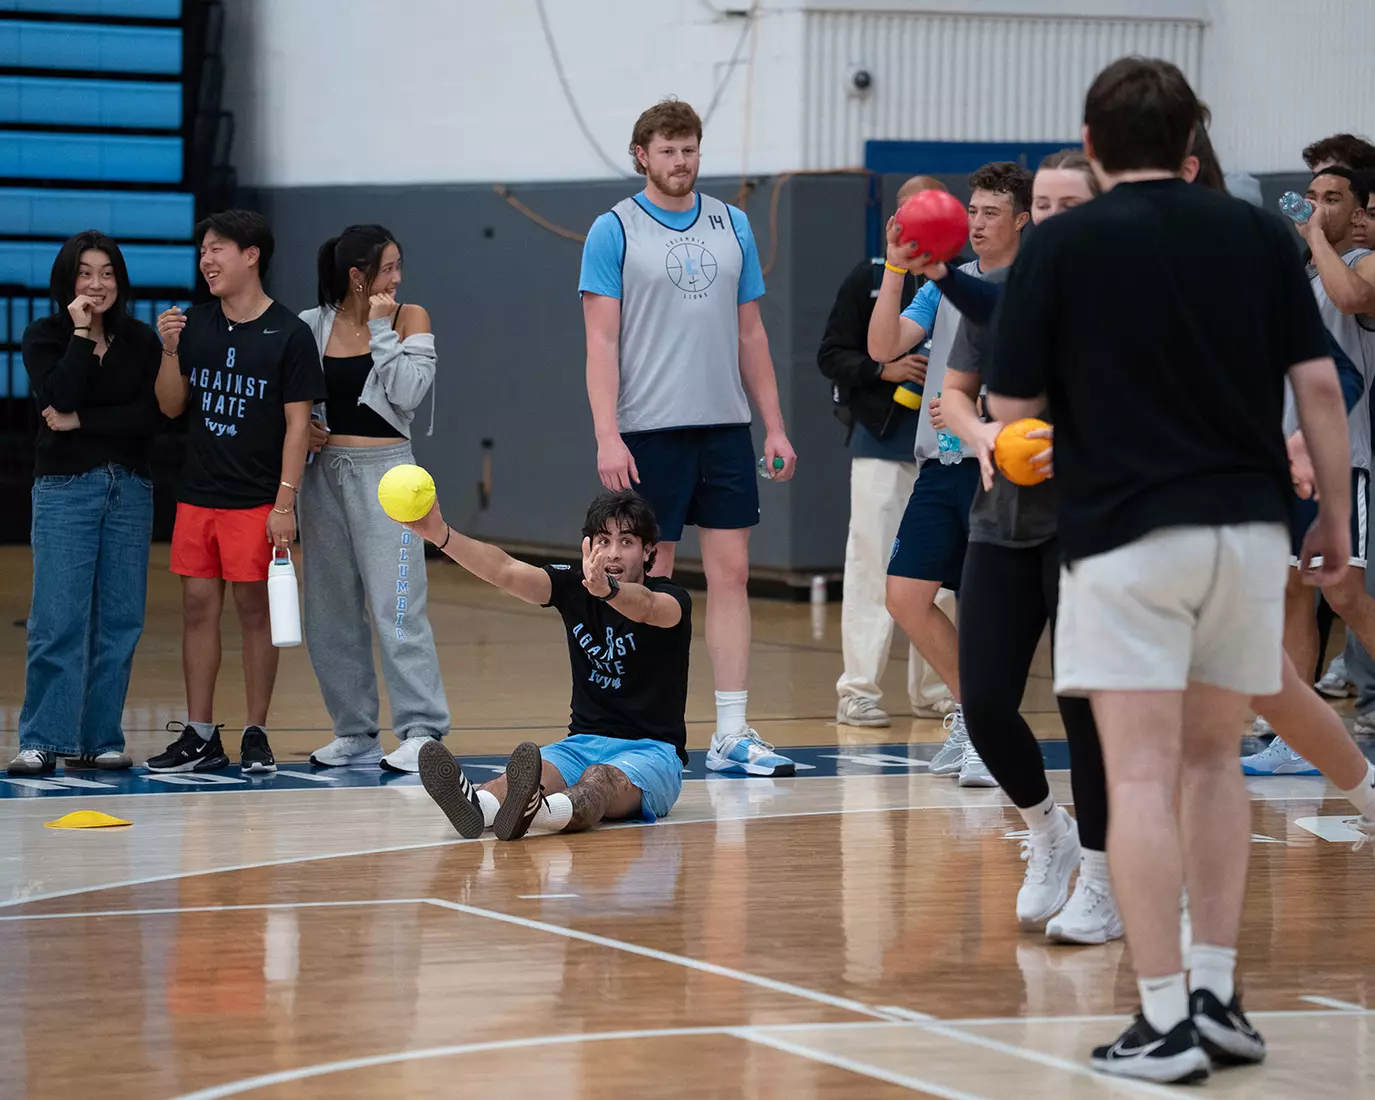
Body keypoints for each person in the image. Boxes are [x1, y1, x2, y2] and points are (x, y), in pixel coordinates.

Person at [986, 57, 1351, 1083]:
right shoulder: (1253, 233)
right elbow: (1316, 383)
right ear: (1188, 139)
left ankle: (1160, 1018)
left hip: (1125, 534)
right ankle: (1217, 996)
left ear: (1092, 148)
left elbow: (1013, 421)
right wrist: (1326, 506)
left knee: (1140, 774)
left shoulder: (1061, 247)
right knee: (1210, 765)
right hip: (1245, 531)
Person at [907, 150, 1119, 943]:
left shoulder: (1116, 294)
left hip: (1090, 525)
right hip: (1002, 518)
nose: (1058, 216)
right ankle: (1046, 832)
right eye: (1049, 205)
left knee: (1081, 704)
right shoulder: (1004, 296)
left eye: (1074, 205)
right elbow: (957, 391)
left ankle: (1101, 879)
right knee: (986, 700)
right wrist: (985, 433)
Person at [579, 97, 796, 778]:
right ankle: (647, 731)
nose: (681, 161)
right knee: (655, 580)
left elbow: (751, 332)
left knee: (731, 575)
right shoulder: (612, 229)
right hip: (647, 432)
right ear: (641, 155)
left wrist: (775, 425)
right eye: (668, 150)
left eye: (690, 149)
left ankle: (731, 730)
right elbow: (600, 340)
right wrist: (607, 435)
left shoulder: (732, 224)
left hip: (724, 427)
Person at [867, 161, 1032, 786]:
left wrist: (978, 410)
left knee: (987, 611)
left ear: (1022, 218)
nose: (979, 223)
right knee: (905, 595)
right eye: (974, 211)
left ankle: (989, 731)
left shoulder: (1034, 286)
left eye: (992, 212)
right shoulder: (949, 282)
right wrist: (895, 270)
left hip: (1004, 467)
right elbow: (884, 348)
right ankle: (975, 714)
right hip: (941, 465)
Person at [149, 210, 325, 774]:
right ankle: (200, 733)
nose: (207, 260)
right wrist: (170, 350)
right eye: (203, 250)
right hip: (198, 493)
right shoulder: (193, 324)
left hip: (257, 500)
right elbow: (172, 406)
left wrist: (284, 503)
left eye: (218, 248)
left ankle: (255, 730)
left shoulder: (289, 334)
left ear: (251, 255)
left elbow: (300, 426)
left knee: (256, 613)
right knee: (197, 608)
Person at [405, 490, 689, 840]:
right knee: (515, 780)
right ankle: (478, 805)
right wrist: (440, 536)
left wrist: (608, 592)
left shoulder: (673, 599)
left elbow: (645, 606)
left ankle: (540, 811)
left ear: (648, 551)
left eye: (626, 541)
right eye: (603, 540)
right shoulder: (574, 586)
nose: (613, 553)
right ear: (589, 546)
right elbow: (505, 570)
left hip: (653, 754)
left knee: (598, 779)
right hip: (580, 743)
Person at [8, 231, 164, 775]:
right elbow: (60, 396)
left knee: (120, 619)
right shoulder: (44, 336)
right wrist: (80, 332)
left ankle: (100, 737)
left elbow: (151, 417)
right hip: (65, 489)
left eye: (107, 273)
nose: (97, 284)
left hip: (130, 489)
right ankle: (42, 738)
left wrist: (84, 424)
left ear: (120, 281)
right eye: (85, 273)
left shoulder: (143, 342)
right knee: (57, 618)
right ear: (67, 280)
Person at [297, 225, 449, 773]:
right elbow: (289, 401)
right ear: (357, 276)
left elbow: (407, 392)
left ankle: (422, 730)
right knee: (329, 611)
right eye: (388, 268)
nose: (399, 278)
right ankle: (354, 730)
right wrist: (304, 428)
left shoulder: (411, 317)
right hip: (322, 477)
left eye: (399, 266)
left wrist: (381, 331)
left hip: (389, 476)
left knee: (398, 606)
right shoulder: (310, 326)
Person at [1242, 166, 1375, 776]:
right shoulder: (1302, 273)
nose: (1318, 208)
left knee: (1344, 593)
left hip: (1347, 458)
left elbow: (1350, 299)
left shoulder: (1365, 263)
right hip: (1293, 460)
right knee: (1295, 589)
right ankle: (1293, 740)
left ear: (1360, 210)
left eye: (1333, 200)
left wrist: (1314, 233)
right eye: (1313, 197)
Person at [817, 175, 957, 729]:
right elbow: (832, 353)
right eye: (905, 213)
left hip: (946, 450)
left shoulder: (963, 280)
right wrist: (884, 368)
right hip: (882, 439)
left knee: (943, 578)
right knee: (872, 566)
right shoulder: (869, 278)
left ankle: (937, 690)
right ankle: (858, 690)